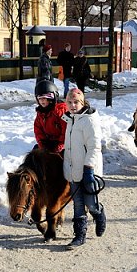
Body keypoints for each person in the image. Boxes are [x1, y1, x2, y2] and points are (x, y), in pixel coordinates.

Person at [62, 88, 106, 249]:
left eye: (76, 102)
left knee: (90, 203)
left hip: (89, 170)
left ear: (83, 102)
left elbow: (94, 147)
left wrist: (89, 168)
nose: (73, 105)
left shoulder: (89, 120)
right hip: (74, 170)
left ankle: (99, 213)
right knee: (78, 203)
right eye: (70, 102)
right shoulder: (70, 120)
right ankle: (79, 235)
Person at [33, 80, 67, 154]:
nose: (42, 101)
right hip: (49, 142)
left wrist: (60, 145)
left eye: (44, 98)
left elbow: (66, 129)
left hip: (63, 144)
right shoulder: (40, 113)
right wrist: (43, 144)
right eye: (39, 98)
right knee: (35, 154)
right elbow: (38, 130)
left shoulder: (60, 111)